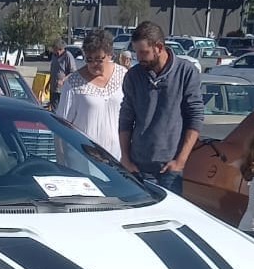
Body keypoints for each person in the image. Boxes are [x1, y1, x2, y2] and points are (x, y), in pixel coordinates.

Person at [118, 21, 204, 195]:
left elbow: (195, 117)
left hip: (170, 169)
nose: (138, 58)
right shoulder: (133, 76)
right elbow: (126, 119)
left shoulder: (186, 72)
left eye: (143, 52)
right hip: (138, 167)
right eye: (136, 52)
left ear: (159, 47)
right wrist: (125, 158)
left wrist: (180, 161)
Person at [56, 29, 127, 161]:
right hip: (83, 159)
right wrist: (61, 159)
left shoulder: (124, 76)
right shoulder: (73, 84)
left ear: (109, 55)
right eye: (89, 59)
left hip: (118, 159)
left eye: (99, 59)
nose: (94, 64)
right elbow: (61, 126)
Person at [49, 39, 77, 111]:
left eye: (56, 49)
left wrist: (63, 80)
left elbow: (73, 72)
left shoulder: (68, 56)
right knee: (53, 108)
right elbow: (53, 71)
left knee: (61, 109)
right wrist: (48, 83)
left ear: (61, 49)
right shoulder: (54, 56)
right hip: (53, 87)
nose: (55, 51)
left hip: (62, 89)